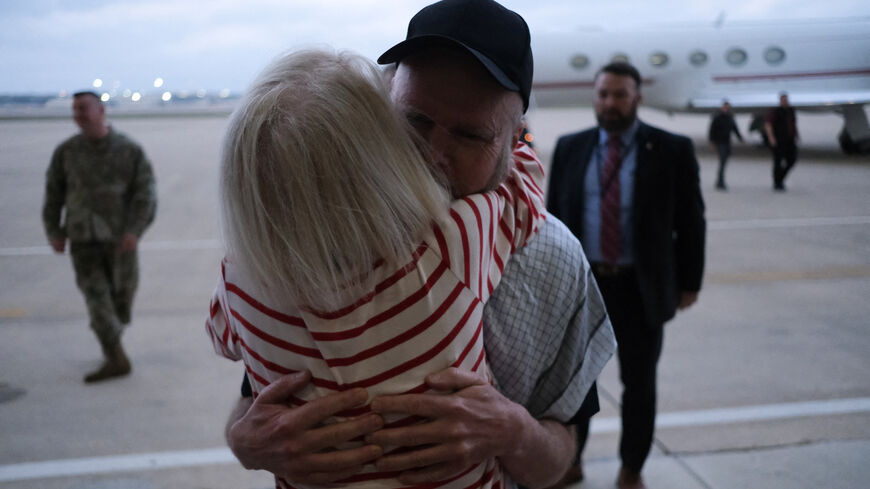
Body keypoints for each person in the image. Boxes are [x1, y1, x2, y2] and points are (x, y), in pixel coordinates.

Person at [223, 1, 616, 488]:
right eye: (415, 121)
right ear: (383, 103)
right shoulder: (325, 233)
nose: (433, 155)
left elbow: (556, 464)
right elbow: (258, 393)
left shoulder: (554, 261)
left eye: (470, 135)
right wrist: (246, 441)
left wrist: (512, 431)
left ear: (517, 139)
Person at [548, 62, 706, 489]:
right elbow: (554, 224)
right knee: (575, 385)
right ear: (594, 97)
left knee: (639, 385)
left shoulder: (670, 149)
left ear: (637, 97)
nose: (610, 102)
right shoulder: (570, 147)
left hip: (641, 288)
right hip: (585, 287)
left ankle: (631, 468)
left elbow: (691, 221)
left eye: (620, 94)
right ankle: (571, 460)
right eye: (603, 94)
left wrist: (689, 282)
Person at [42, 90, 157, 383]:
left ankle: (112, 342)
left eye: (83, 108)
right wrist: (54, 231)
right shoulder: (66, 152)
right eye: (74, 109)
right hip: (83, 239)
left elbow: (145, 194)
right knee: (97, 299)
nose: (77, 114)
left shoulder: (128, 150)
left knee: (121, 300)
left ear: (101, 111)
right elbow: (54, 195)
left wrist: (135, 230)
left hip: (120, 240)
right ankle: (117, 357)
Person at [765, 92, 799, 191]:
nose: (785, 102)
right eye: (783, 100)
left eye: (786, 100)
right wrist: (771, 138)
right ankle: (777, 182)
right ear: (780, 101)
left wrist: (797, 135)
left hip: (790, 140)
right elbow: (768, 124)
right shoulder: (776, 111)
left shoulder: (791, 110)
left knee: (791, 160)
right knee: (778, 162)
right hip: (779, 140)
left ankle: (780, 178)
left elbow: (793, 123)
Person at [708, 100, 743, 190]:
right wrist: (712, 142)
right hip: (720, 142)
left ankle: (720, 181)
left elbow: (735, 129)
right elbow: (712, 130)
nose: (726, 108)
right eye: (725, 107)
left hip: (727, 142)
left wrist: (740, 138)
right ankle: (720, 181)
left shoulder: (730, 118)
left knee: (724, 161)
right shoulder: (717, 118)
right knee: (722, 161)